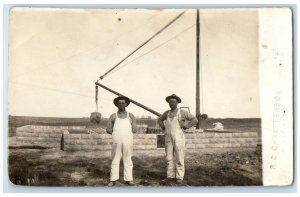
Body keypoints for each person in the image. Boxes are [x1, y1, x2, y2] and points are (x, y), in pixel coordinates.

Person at [158, 94, 198, 184]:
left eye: (174, 102)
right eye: (170, 102)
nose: (172, 103)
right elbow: (160, 120)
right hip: (168, 137)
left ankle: (179, 177)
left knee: (179, 156)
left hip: (179, 137)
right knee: (169, 157)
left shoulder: (182, 112)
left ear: (177, 103)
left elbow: (194, 119)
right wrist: (163, 127)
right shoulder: (166, 113)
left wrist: (186, 126)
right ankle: (170, 176)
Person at [106, 96, 137, 186]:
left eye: (123, 103)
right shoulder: (113, 116)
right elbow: (108, 129)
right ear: (117, 105)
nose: (121, 104)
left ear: (126, 104)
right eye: (119, 103)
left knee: (128, 158)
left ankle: (129, 179)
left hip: (128, 140)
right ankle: (113, 179)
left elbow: (134, 130)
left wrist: (127, 132)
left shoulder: (130, 116)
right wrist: (116, 134)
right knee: (115, 158)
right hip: (116, 140)